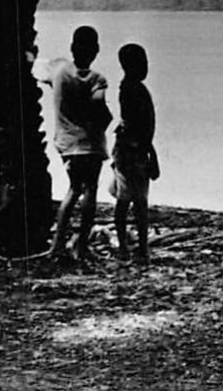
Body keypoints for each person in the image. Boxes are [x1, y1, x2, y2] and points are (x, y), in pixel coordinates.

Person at [40, 26, 112, 262]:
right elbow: (99, 105)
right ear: (96, 50)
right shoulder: (96, 79)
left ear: (72, 47)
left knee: (73, 190)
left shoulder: (60, 70)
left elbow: (40, 71)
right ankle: (81, 246)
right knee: (90, 191)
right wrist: (105, 119)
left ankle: (58, 244)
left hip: (67, 143)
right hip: (89, 144)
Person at [109, 43, 158, 263]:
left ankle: (136, 247)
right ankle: (134, 248)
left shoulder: (131, 87)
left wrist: (150, 152)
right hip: (131, 154)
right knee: (132, 201)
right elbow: (137, 128)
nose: (146, 66)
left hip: (133, 152)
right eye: (142, 62)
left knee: (133, 201)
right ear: (131, 66)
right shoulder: (131, 90)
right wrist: (149, 154)